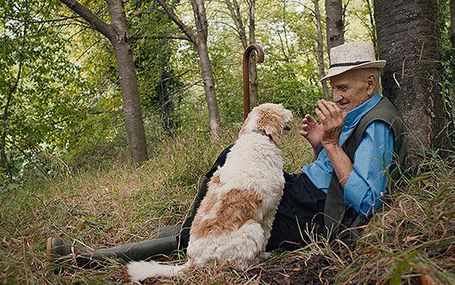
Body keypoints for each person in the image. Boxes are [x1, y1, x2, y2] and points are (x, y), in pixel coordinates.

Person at [47, 41, 407, 268]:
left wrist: (329, 144)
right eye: (335, 88)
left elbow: (367, 201)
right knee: (231, 155)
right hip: (302, 191)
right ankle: (185, 230)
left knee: (214, 227)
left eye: (343, 87)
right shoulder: (354, 113)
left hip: (313, 214)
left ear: (370, 83)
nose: (338, 96)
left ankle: (85, 258)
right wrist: (319, 145)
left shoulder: (376, 125)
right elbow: (331, 169)